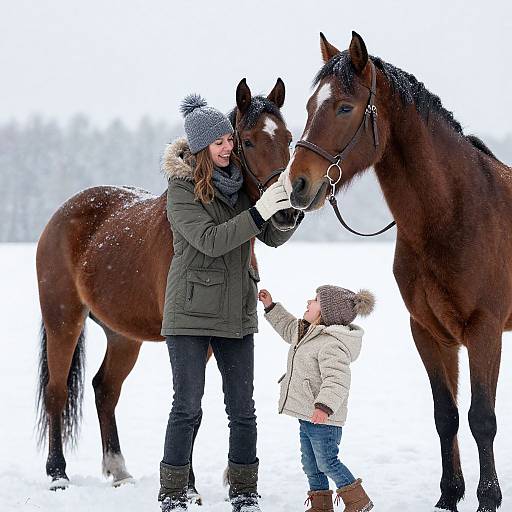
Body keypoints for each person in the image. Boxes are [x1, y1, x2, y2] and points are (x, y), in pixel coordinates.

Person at [158, 94, 300, 512]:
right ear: (201, 147)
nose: (227, 147)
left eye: (228, 139)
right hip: (189, 314)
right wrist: (259, 212)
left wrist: (291, 209)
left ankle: (243, 490)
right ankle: (173, 491)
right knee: (186, 406)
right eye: (218, 141)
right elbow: (210, 241)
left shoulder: (241, 186)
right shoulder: (181, 190)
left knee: (243, 409)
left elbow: (270, 236)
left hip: (236, 312)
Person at [258, 285, 375, 512]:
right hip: (307, 415)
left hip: (324, 419)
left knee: (327, 462)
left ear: (326, 314)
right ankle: (321, 506)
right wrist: (270, 307)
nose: (308, 302)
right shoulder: (307, 332)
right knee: (311, 465)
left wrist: (324, 407)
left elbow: (337, 380)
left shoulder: (332, 344)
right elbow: (287, 326)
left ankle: (359, 501)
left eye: (315, 300)